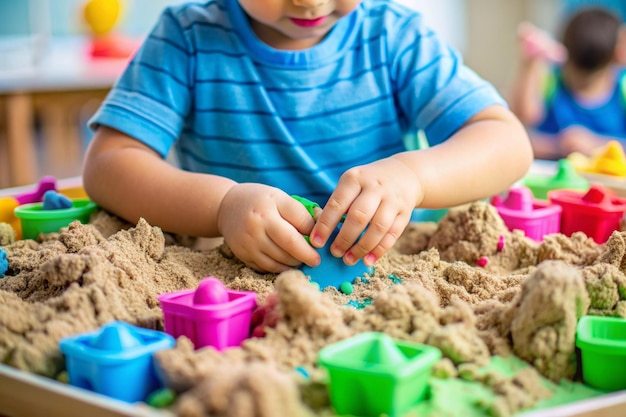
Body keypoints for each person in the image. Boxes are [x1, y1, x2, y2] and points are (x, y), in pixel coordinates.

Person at [82, 0, 533, 273]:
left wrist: (412, 175)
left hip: (386, 272)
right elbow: (109, 163)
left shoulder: (393, 36)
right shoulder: (188, 36)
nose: (310, 2)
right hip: (227, 277)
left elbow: (505, 141)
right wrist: (222, 206)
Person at [509, 7, 626, 160]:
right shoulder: (551, 79)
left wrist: (595, 144)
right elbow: (523, 124)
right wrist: (531, 62)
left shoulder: (622, 86)